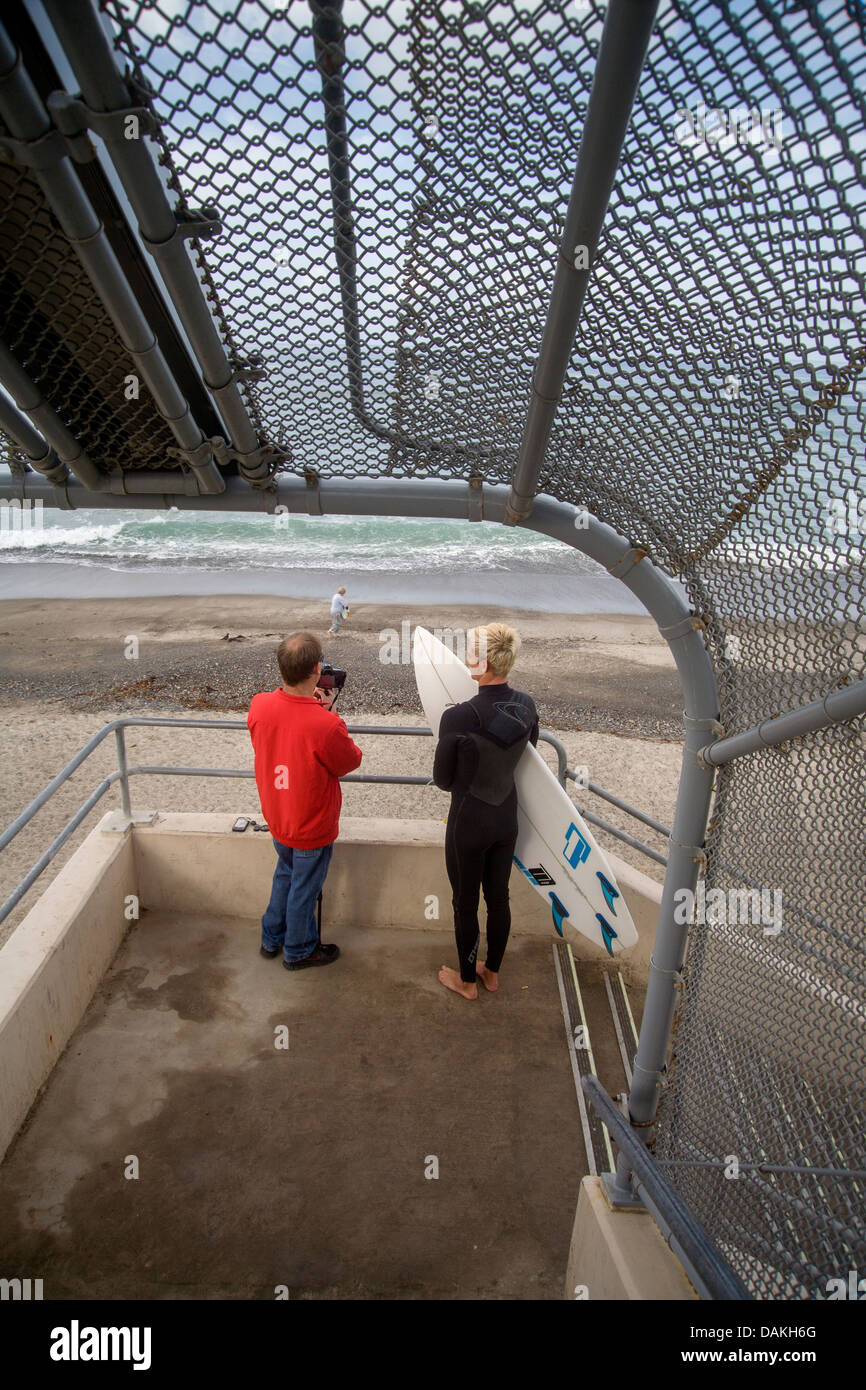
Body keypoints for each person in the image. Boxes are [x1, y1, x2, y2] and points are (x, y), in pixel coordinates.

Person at [432, 623, 538, 1000]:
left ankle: (466, 981)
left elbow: (443, 780)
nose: (465, 659)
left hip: (468, 822)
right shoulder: (526, 706)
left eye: (471, 653)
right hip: (506, 820)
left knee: (465, 903)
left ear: (487, 661)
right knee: (499, 898)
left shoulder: (458, 717)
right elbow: (528, 753)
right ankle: (491, 973)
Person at [247, 631, 362, 969]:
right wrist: (329, 713)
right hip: (311, 823)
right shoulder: (325, 724)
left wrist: (312, 706)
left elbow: (277, 736)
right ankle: (299, 950)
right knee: (304, 889)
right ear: (316, 669)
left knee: (285, 874)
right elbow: (349, 761)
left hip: (278, 816)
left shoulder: (259, 705)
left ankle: (272, 939)